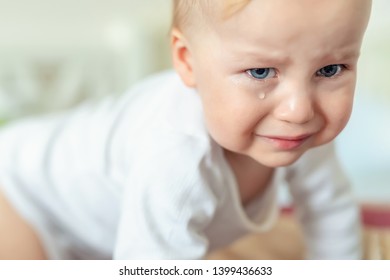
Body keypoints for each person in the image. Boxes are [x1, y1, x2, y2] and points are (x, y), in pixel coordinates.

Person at [0, 0, 372, 259]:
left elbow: (331, 213)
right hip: (22, 197)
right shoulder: (175, 155)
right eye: (260, 72)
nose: (298, 110)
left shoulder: (300, 129)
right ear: (187, 61)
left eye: (330, 70)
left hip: (96, 238)